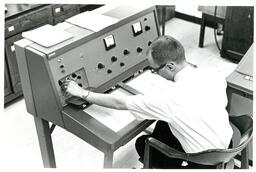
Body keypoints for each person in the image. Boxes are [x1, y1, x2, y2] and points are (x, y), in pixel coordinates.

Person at [62, 35, 233, 168]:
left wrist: (82, 92)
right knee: (163, 124)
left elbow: (119, 103)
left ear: (170, 67)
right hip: (227, 147)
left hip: (201, 163)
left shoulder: (168, 99)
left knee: (142, 143)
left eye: (154, 70)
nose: (154, 73)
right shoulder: (212, 74)